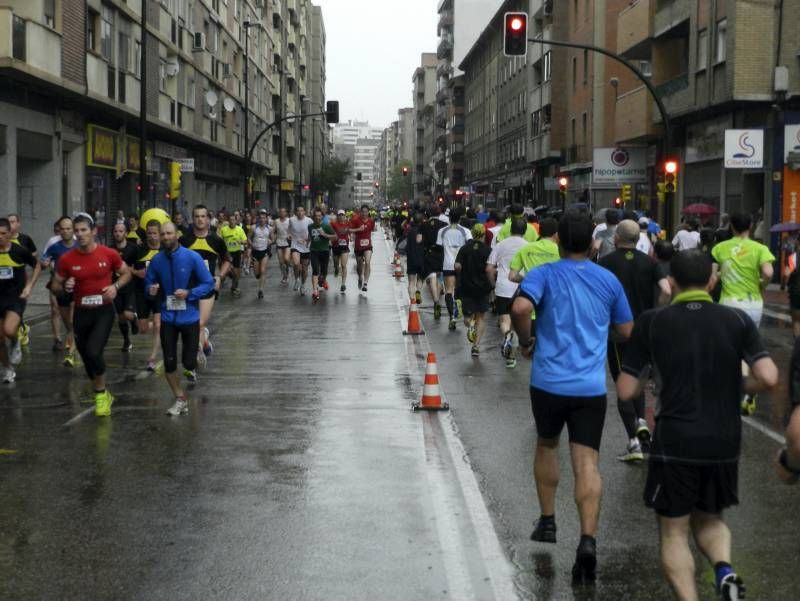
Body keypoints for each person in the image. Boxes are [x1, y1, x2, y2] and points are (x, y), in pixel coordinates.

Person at [617, 249, 778, 601]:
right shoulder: (737, 321)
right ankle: (724, 570)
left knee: (674, 532)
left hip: (675, 440)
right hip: (723, 439)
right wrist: (736, 385)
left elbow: (626, 388)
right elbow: (768, 376)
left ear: (671, 282)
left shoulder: (653, 322)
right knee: (710, 519)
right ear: (712, 280)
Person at [510, 210, 633, 583]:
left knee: (547, 445)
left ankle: (548, 522)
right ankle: (588, 541)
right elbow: (627, 330)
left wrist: (527, 339)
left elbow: (519, 307)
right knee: (587, 462)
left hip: (548, 382)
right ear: (594, 244)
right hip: (590, 388)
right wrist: (602, 335)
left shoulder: (543, 274)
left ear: (558, 242)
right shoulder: (608, 280)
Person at [599, 220, 668, 461]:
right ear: (638, 239)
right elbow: (666, 290)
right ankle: (641, 426)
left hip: (618, 332)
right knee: (638, 379)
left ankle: (634, 441)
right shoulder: (650, 262)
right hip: (644, 330)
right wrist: (654, 312)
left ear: (617, 237)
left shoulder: (606, 263)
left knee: (623, 384)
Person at [52, 214, 131, 416]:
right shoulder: (66, 259)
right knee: (88, 360)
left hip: (103, 311)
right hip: (81, 313)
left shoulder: (109, 254)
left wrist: (115, 286)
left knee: (94, 352)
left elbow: (126, 273)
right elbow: (55, 286)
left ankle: (101, 394)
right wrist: (65, 286)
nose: (79, 234)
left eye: (83, 230)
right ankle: (100, 389)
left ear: (94, 231)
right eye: (76, 231)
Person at [145, 222, 215, 413]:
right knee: (169, 363)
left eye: (169, 233)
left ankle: (203, 338)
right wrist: (150, 290)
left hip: (190, 318)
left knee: (189, 363)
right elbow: (148, 283)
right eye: (163, 234)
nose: (166, 237)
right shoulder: (157, 261)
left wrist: (189, 293)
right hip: (168, 318)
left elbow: (208, 283)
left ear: (177, 234)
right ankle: (180, 398)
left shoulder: (192, 257)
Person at [711, 212, 775, 415]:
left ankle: (737, 389)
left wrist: (721, 276)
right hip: (753, 303)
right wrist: (761, 284)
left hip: (728, 304)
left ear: (731, 227)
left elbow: (712, 277)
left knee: (732, 347)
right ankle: (748, 392)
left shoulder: (720, 248)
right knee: (748, 344)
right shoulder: (760, 248)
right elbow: (768, 273)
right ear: (751, 226)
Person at [181, 205, 231, 364]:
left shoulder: (216, 240)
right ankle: (204, 341)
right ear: (192, 219)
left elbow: (227, 260)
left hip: (207, 286)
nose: (200, 219)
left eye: (203, 216)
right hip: (187, 287)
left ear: (208, 219)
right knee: (190, 323)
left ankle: (197, 353)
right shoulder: (184, 240)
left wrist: (220, 277)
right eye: (197, 216)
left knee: (199, 322)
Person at [508, 217, 561, 348]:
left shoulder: (526, 249)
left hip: (530, 308)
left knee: (532, 350)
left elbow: (512, 276)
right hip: (555, 310)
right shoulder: (561, 251)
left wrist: (527, 280)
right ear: (556, 234)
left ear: (539, 232)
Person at [0, 218, 41, 382]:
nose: (0, 237)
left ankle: (16, 341)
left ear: (10, 234)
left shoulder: (19, 251)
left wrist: (29, 286)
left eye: (3, 233)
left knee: (9, 330)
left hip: (15, 298)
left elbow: (37, 265)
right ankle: (8, 369)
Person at [487, 218, 527, 367]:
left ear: (510, 230)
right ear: (524, 231)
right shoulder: (528, 247)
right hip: (522, 288)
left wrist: (492, 284)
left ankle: (507, 337)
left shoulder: (500, 245)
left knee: (504, 320)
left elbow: (489, 268)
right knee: (517, 322)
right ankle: (512, 354)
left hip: (503, 287)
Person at [41, 217, 77, 362]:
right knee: (66, 319)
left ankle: (72, 353)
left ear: (73, 229)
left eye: (68, 228)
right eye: (63, 229)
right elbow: (43, 262)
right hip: (60, 287)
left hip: (77, 286)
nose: (66, 231)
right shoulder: (54, 246)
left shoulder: (79, 245)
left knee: (74, 317)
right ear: (59, 230)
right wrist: (45, 263)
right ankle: (71, 335)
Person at [454, 224, 493, 357]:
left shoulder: (464, 249)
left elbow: (457, 265)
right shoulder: (488, 250)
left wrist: (461, 272)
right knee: (481, 316)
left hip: (467, 287)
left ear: (472, 233)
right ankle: (476, 346)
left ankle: (470, 325)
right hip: (483, 288)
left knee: (467, 317)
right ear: (483, 234)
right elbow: (490, 269)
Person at [133, 220, 164, 371]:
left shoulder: (165, 250)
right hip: (142, 293)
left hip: (160, 294)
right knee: (143, 329)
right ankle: (135, 319)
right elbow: (125, 267)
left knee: (158, 324)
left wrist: (161, 284)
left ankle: (152, 357)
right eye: (149, 233)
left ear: (160, 234)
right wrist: (136, 272)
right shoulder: (139, 250)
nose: (152, 237)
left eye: (155, 233)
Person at [436, 209, 472, 330]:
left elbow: (439, 247)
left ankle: (452, 317)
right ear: (460, 218)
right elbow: (469, 246)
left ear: (449, 218)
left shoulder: (442, 231)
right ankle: (461, 309)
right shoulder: (466, 231)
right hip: (462, 265)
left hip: (448, 264)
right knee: (460, 290)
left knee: (449, 291)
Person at [8, 213, 37, 350]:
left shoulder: (25, 239)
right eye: (8, 222)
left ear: (18, 223)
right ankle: (23, 328)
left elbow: (34, 256)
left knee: (17, 308)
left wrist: (29, 284)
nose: (11, 224)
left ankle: (20, 330)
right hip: (4, 281)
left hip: (20, 278)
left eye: (13, 222)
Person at [111, 222, 139, 354]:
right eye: (116, 231)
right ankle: (126, 340)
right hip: (115, 287)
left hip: (130, 286)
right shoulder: (109, 250)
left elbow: (138, 267)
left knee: (127, 315)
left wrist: (127, 270)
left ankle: (134, 319)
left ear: (126, 233)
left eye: (121, 231)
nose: (118, 233)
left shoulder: (133, 248)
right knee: (121, 317)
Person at [420, 206, 447, 316]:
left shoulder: (424, 225)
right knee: (440, 276)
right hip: (440, 254)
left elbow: (420, 240)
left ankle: (436, 301)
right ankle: (438, 297)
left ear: (429, 213)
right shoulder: (444, 225)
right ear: (439, 213)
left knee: (432, 277)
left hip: (429, 254)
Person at [308, 208, 337, 302]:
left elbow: (335, 237)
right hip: (314, 251)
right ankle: (315, 290)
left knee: (324, 272)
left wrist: (325, 234)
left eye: (319, 216)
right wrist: (305, 241)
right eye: (316, 216)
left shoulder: (326, 226)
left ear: (322, 217)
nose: (317, 218)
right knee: (315, 270)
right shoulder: (310, 226)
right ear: (313, 217)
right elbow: (310, 237)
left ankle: (323, 280)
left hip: (324, 251)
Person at [219, 212, 248, 297]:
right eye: (230, 220)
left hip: (237, 253)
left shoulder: (239, 229)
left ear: (236, 220)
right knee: (228, 271)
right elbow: (219, 241)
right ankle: (231, 279)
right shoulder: (224, 230)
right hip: (227, 253)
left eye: (233, 220)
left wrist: (241, 241)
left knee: (236, 273)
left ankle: (234, 287)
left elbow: (245, 241)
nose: (232, 221)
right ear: (228, 221)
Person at [288, 206, 314, 296]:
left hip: (306, 247)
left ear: (305, 212)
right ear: (295, 212)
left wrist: (306, 240)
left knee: (305, 269)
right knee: (296, 263)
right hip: (295, 245)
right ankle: (297, 280)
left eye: (301, 211)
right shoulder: (291, 220)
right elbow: (287, 230)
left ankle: (303, 285)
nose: (300, 212)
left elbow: (313, 233)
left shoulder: (309, 221)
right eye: (298, 211)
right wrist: (288, 235)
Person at [350, 205, 376, 294]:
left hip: (368, 246)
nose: (364, 213)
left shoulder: (371, 221)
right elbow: (350, 230)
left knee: (368, 262)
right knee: (359, 266)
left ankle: (365, 283)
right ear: (360, 212)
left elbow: (373, 229)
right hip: (358, 246)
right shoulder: (356, 220)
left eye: (366, 212)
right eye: (363, 212)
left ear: (368, 212)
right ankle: (360, 277)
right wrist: (358, 229)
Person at [250, 209, 273, 300]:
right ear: (258, 219)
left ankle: (261, 290)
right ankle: (258, 276)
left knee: (263, 270)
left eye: (264, 218)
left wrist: (271, 241)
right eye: (261, 218)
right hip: (255, 252)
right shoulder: (253, 228)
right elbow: (248, 238)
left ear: (266, 219)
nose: (262, 220)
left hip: (264, 252)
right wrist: (251, 244)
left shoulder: (269, 228)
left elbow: (273, 239)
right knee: (257, 274)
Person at [405, 212, 426, 304]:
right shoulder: (424, 231)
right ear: (422, 221)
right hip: (422, 258)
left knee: (411, 281)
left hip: (411, 258)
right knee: (420, 278)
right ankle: (418, 291)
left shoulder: (409, 230)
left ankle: (412, 300)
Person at [330, 210, 352, 294]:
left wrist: (351, 236)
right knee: (336, 264)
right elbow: (328, 228)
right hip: (335, 246)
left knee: (343, 265)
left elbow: (350, 230)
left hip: (344, 247)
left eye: (342, 215)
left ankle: (343, 284)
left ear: (345, 216)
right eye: (339, 215)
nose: (341, 216)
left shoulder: (348, 223)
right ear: (337, 216)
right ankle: (336, 269)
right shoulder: (333, 223)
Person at [274, 207, 291, 285]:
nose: (282, 213)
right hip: (279, 242)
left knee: (287, 259)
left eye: (284, 212)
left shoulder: (289, 220)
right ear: (279, 213)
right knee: (281, 262)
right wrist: (272, 238)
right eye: (280, 212)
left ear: (286, 213)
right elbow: (273, 231)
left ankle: (287, 270)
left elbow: (292, 230)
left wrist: (290, 235)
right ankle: (285, 276)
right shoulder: (276, 221)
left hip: (287, 242)